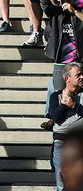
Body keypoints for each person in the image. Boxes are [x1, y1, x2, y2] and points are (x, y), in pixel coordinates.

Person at [53, 63, 83, 191]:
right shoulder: (56, 96)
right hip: (61, 143)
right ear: (67, 78)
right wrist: (65, 103)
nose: (82, 77)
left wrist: (73, 105)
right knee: (62, 184)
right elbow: (56, 118)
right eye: (78, 75)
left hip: (80, 142)